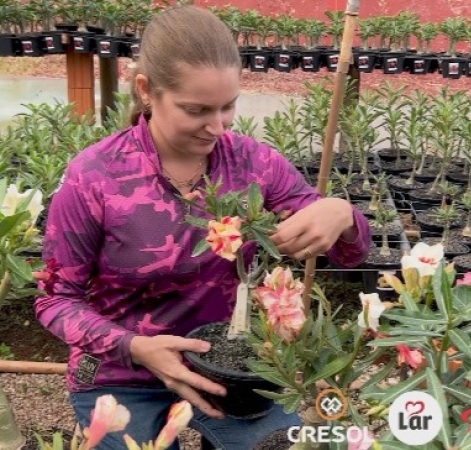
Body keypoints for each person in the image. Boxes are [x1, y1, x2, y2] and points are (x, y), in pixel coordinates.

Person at [34, 5, 371, 449]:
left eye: (228, 106)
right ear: (147, 91)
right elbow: (56, 300)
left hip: (230, 363)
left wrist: (340, 214)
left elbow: (348, 254)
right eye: (196, 110)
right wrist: (134, 346)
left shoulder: (253, 163)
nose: (218, 126)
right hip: (122, 373)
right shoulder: (94, 177)